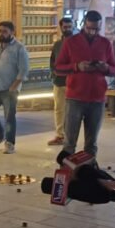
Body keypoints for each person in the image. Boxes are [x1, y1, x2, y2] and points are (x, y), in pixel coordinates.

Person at [54, 11, 115, 158]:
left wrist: (105, 68)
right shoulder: (71, 42)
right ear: (83, 24)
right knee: (69, 143)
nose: (92, 32)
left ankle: (89, 169)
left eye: (96, 29)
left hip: (97, 99)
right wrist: (77, 66)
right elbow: (57, 68)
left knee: (91, 144)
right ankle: (68, 169)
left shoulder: (105, 43)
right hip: (75, 98)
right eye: (89, 28)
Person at [0, 21, 30, 155]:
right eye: (0, 31)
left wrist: (14, 86)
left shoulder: (19, 48)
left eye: (5, 31)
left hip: (9, 90)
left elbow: (24, 69)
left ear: (12, 32)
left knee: (9, 117)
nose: (1, 33)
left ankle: (9, 143)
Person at [48, 17, 73, 147]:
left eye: (69, 27)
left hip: (73, 83)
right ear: (61, 28)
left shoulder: (77, 44)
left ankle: (70, 137)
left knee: (72, 111)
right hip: (59, 82)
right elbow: (52, 61)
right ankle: (60, 135)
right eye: (65, 27)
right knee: (59, 109)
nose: (67, 29)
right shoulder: (57, 44)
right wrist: (54, 73)